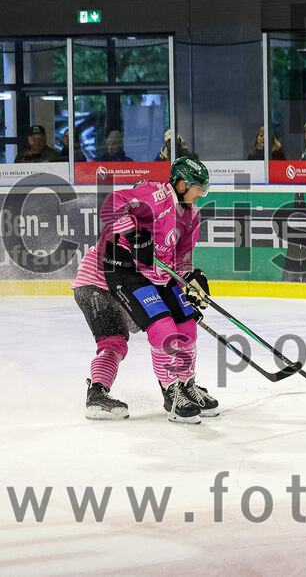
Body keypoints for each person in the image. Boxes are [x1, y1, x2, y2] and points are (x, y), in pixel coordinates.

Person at [70, 156, 217, 424]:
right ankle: (99, 394)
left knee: (184, 322)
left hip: (138, 276)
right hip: (99, 279)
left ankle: (185, 384)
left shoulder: (191, 215)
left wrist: (190, 281)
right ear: (182, 184)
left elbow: (180, 260)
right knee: (115, 342)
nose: (201, 194)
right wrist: (136, 236)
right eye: (198, 188)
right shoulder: (154, 195)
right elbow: (111, 206)